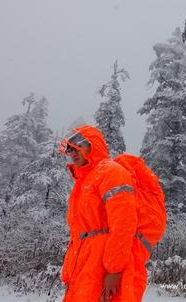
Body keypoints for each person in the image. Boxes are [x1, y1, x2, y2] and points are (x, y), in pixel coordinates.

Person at [60, 125, 149, 302]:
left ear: (93, 145)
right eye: (69, 148)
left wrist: (114, 270)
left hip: (101, 263)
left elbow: (123, 223)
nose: (72, 152)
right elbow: (77, 235)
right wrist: (69, 273)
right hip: (83, 264)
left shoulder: (111, 172)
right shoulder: (83, 181)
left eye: (78, 146)